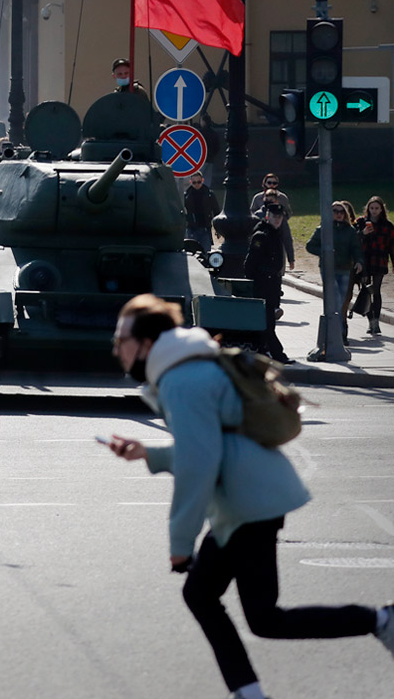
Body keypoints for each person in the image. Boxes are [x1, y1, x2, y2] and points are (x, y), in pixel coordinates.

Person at [105, 293, 394, 699]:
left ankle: (381, 620)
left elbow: (198, 465)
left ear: (147, 343)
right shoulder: (189, 365)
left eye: (121, 340)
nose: (116, 348)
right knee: (205, 597)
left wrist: (180, 545)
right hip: (247, 501)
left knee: (262, 618)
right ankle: (249, 692)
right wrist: (148, 454)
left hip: (249, 505)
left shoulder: (180, 380)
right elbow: (209, 445)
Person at [306, 201, 363, 345]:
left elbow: (356, 248)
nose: (338, 214)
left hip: (345, 268)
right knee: (335, 299)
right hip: (328, 269)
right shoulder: (323, 229)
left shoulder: (350, 231)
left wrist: (359, 261)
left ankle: (339, 332)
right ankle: (337, 333)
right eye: (335, 211)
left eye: (341, 211)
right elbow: (310, 246)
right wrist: (324, 252)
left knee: (342, 301)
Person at [243, 203, 292, 364]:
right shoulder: (262, 235)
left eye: (280, 217)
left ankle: (262, 351)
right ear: (267, 216)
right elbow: (250, 263)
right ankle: (277, 354)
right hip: (263, 284)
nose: (277, 220)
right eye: (274, 217)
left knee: (267, 321)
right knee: (268, 322)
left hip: (272, 284)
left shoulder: (275, 233)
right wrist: (259, 278)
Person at [355, 196, 393, 335]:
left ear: (382, 209)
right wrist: (363, 233)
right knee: (366, 290)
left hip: (380, 260)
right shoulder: (361, 222)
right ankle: (370, 321)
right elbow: (353, 239)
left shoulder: (387, 225)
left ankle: (376, 321)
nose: (374, 211)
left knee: (376, 290)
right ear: (368, 209)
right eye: (372, 208)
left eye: (377, 208)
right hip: (364, 261)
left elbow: (392, 246)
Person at [250, 173, 294, 271]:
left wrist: (291, 259)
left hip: (277, 240)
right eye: (269, 182)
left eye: (274, 183)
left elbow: (287, 238)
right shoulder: (258, 206)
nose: (271, 185)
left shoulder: (283, 199)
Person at [183, 171, 220, 253]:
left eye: (199, 182)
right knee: (191, 253)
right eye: (194, 182)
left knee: (206, 253)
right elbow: (182, 212)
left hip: (205, 228)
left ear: (202, 180)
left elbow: (216, 211)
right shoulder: (186, 195)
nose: (196, 184)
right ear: (190, 182)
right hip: (191, 229)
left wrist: (218, 229)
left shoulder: (209, 194)